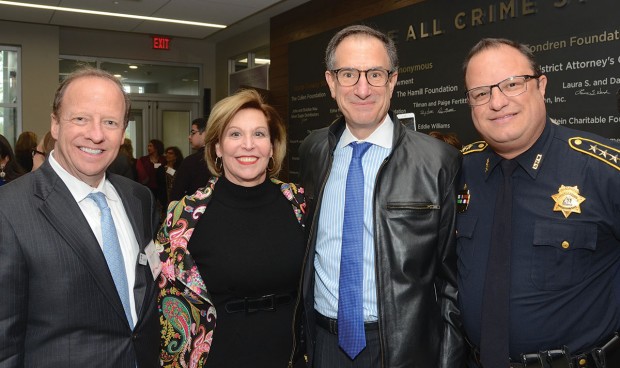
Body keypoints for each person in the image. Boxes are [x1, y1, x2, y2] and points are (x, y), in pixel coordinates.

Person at [298, 25, 463, 368]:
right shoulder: (314, 151)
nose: (362, 89)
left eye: (375, 74)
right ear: (331, 82)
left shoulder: (438, 161)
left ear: (393, 80)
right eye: (348, 74)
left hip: (406, 349)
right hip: (325, 345)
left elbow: (453, 281)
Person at [458, 38, 620, 368]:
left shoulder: (603, 171)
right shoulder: (459, 170)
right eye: (480, 93)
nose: (497, 102)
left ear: (541, 86)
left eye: (512, 84)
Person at [0, 67, 160, 367]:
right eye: (81, 118)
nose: (96, 134)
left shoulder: (139, 198)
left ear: (123, 131)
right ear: (56, 125)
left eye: (110, 122)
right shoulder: (8, 210)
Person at [156, 89, 306, 368]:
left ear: (272, 146)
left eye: (259, 134)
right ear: (217, 147)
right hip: (218, 358)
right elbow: (166, 311)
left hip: (292, 356)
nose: (248, 145)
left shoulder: (298, 203)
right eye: (235, 134)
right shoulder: (183, 217)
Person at [169, 117, 211, 201]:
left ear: (205, 133)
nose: (189, 137)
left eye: (193, 132)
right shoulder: (225, 158)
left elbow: (176, 195)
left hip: (194, 210)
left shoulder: (191, 161)